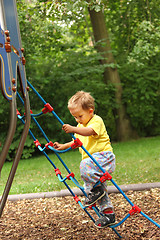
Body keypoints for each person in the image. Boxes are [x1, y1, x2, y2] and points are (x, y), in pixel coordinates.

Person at [53, 91, 116, 228]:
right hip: (93, 165)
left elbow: (89, 132)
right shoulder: (80, 127)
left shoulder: (96, 121)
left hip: (104, 158)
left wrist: (73, 128)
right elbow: (77, 141)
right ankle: (108, 214)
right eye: (74, 117)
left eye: (79, 116)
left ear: (90, 111)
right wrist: (63, 145)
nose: (77, 120)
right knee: (94, 192)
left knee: (85, 166)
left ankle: (97, 189)